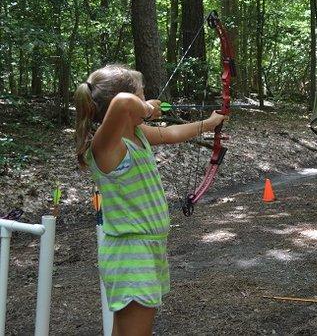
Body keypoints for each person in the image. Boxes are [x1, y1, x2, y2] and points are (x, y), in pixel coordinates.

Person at [74, 64, 226, 336]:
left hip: (146, 248)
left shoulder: (138, 135)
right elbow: (122, 102)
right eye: (142, 96)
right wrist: (147, 109)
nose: (147, 101)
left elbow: (171, 133)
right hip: (130, 252)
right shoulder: (106, 146)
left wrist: (211, 123)